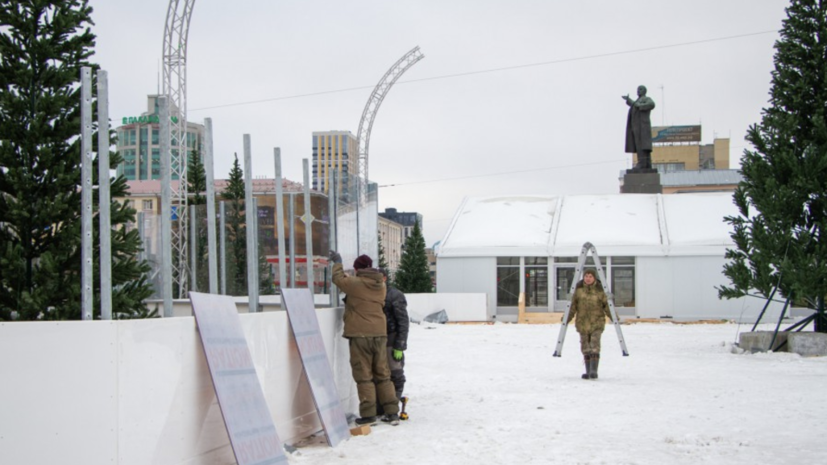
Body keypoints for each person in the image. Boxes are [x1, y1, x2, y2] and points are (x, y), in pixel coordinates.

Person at [329, 250, 400, 425]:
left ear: (357, 269)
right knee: (383, 374)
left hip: (360, 335)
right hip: (380, 334)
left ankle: (369, 414)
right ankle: (392, 412)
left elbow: (338, 279)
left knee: (364, 375)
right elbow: (358, 289)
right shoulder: (380, 285)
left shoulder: (356, 283)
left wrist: (337, 262)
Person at [566, 268, 613, 380]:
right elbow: (572, 307)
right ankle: (587, 371)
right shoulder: (578, 291)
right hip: (582, 323)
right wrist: (566, 318)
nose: (588, 278)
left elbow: (607, 306)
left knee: (594, 345)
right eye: (586, 276)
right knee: (585, 347)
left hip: (597, 322)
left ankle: (593, 371)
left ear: (594, 277)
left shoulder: (600, 291)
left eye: (590, 276)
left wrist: (614, 317)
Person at [379, 269, 409, 410]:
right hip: (377, 340)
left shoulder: (394, 295)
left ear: (384, 278)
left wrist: (400, 345)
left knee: (395, 373)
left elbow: (403, 322)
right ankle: (381, 405)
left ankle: (393, 404)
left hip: (392, 340)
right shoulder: (373, 294)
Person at [623, 85, 656, 170]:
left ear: (645, 91)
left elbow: (652, 104)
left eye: (640, 89)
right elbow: (635, 105)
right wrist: (629, 100)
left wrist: (639, 105)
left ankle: (643, 163)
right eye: (637, 89)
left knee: (643, 145)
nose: (638, 91)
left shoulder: (646, 99)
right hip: (636, 127)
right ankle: (646, 163)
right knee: (639, 145)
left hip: (643, 126)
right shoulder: (638, 101)